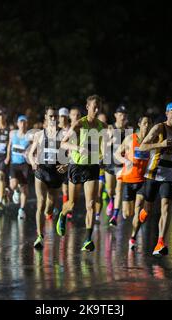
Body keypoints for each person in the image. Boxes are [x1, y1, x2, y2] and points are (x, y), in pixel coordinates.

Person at [138, 102, 172, 256]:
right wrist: (160, 144)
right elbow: (142, 146)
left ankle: (160, 242)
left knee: (166, 207)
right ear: (167, 113)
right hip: (153, 173)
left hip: (169, 175)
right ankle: (144, 211)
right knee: (148, 208)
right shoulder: (158, 128)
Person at [57, 94, 106, 252]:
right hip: (77, 166)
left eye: (99, 106)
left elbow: (103, 146)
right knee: (71, 204)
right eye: (94, 106)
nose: (96, 109)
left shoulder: (102, 126)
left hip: (92, 166)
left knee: (91, 204)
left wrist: (103, 157)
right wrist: (78, 148)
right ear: (87, 107)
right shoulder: (79, 124)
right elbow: (64, 143)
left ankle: (87, 239)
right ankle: (63, 215)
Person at [29, 106, 68, 249]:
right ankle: (39, 236)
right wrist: (33, 162)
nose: (53, 119)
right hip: (41, 171)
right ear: (45, 117)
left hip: (56, 174)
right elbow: (30, 153)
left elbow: (70, 153)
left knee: (50, 207)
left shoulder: (63, 134)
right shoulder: (39, 135)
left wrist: (66, 165)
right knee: (41, 202)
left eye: (55, 116)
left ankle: (48, 214)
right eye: (50, 116)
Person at [114, 116, 152, 250]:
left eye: (149, 124)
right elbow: (117, 154)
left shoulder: (151, 142)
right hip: (129, 181)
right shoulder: (130, 139)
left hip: (142, 181)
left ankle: (133, 237)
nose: (147, 126)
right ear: (139, 125)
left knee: (138, 210)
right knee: (128, 213)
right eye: (145, 123)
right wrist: (126, 161)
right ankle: (130, 219)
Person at [105, 105, 129, 227]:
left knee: (119, 189)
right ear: (115, 115)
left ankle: (115, 216)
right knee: (110, 189)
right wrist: (111, 140)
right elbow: (104, 145)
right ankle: (111, 200)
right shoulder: (110, 128)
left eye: (124, 115)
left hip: (122, 164)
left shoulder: (129, 130)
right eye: (120, 115)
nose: (122, 117)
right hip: (110, 162)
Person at [7, 115, 31, 218]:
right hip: (14, 164)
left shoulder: (29, 136)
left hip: (24, 165)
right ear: (17, 124)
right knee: (13, 185)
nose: (22, 124)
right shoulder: (12, 134)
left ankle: (21, 210)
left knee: (24, 189)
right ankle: (15, 191)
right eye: (21, 122)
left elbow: (33, 149)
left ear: (27, 124)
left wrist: (30, 155)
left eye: (24, 122)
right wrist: (8, 157)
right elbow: (9, 145)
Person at [57, 107, 71, 216]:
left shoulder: (72, 130)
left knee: (66, 190)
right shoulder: (55, 130)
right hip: (56, 162)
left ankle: (66, 211)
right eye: (61, 116)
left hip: (68, 162)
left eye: (65, 117)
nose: (63, 119)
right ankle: (51, 209)